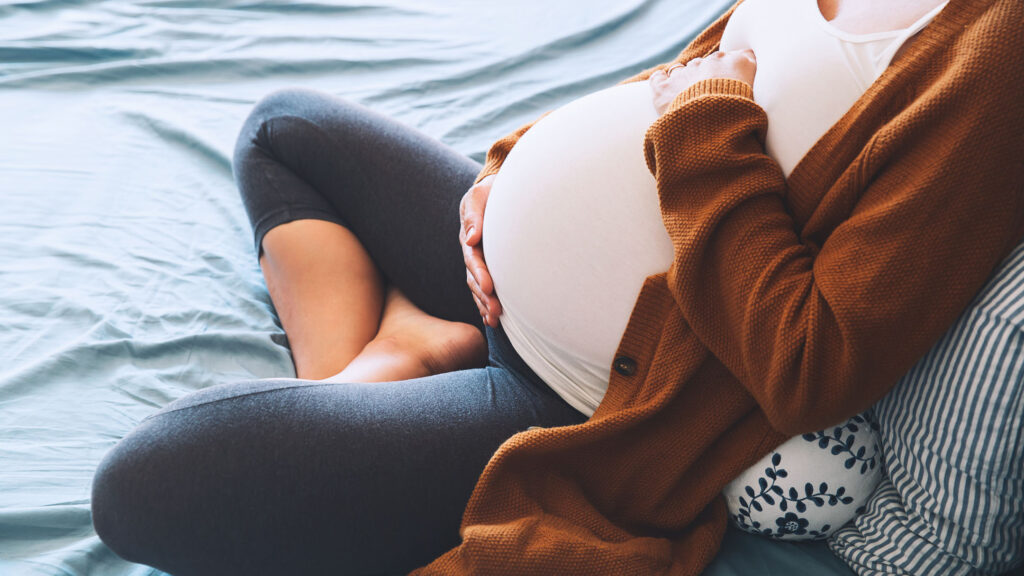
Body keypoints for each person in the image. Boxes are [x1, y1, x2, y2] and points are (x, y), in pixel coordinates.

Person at [90, 0, 1024, 574]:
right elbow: (691, 74)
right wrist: (507, 170)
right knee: (284, 128)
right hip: (495, 280)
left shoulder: (997, 54)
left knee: (145, 488)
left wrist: (703, 124)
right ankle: (406, 348)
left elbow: (812, 364)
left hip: (591, 395)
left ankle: (387, 358)